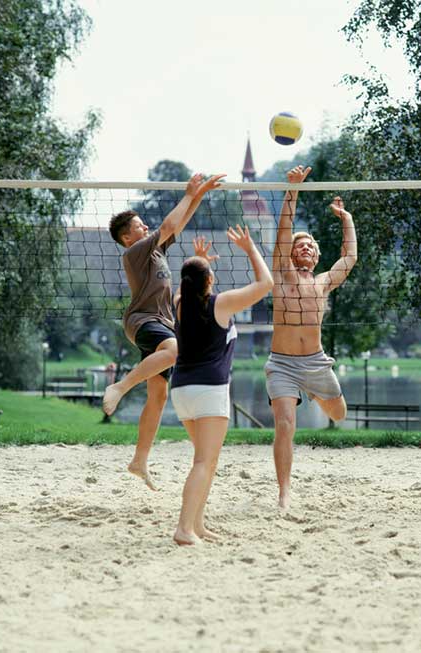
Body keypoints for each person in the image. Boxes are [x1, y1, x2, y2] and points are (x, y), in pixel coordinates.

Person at [104, 173, 225, 490]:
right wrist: (189, 192)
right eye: (140, 226)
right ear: (128, 238)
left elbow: (177, 226)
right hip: (143, 320)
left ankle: (139, 461)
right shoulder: (136, 252)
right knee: (174, 350)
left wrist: (199, 195)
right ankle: (120, 387)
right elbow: (170, 226)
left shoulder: (155, 252)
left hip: (161, 322)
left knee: (157, 397)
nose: (145, 227)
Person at [171, 227, 273, 545]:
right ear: (210, 282)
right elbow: (266, 284)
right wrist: (250, 247)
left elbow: (185, 286)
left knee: (207, 460)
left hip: (181, 391)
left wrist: (198, 260)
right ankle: (183, 528)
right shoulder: (220, 304)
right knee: (204, 461)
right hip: (209, 392)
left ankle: (197, 525)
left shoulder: (179, 304)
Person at [267, 165, 358, 509]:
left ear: (317, 256)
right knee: (285, 424)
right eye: (299, 245)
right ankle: (284, 492)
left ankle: (319, 395)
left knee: (339, 415)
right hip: (282, 365)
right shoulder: (282, 274)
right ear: (290, 253)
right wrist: (294, 189)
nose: (304, 247)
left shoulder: (322, 283)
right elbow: (284, 229)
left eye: (310, 246)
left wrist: (345, 218)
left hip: (316, 363)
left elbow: (349, 257)